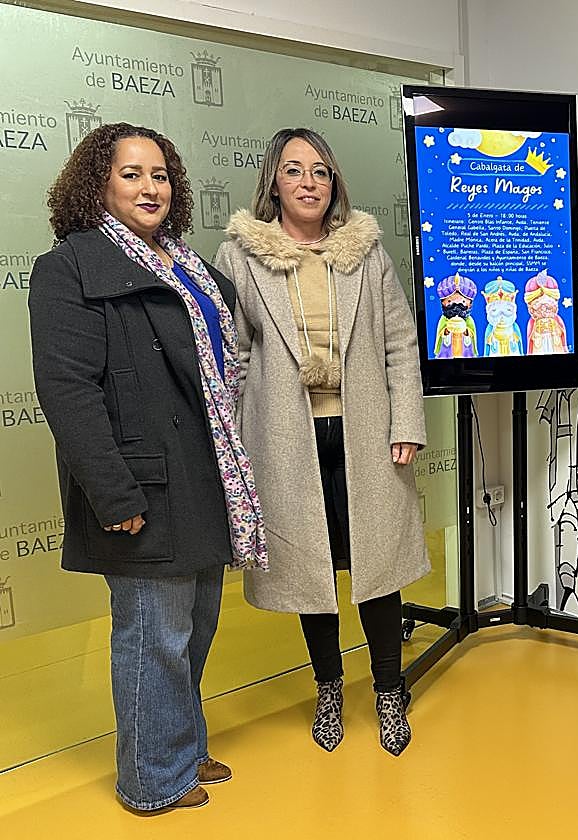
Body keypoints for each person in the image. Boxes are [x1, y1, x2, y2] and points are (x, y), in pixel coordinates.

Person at [28, 123, 266, 813]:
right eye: (130, 174)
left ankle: (180, 747)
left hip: (204, 479)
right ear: (97, 184)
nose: (149, 187)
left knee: (194, 629)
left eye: (159, 174)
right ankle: (152, 780)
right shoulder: (70, 267)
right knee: (153, 637)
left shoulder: (189, 268)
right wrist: (113, 493)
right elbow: (68, 390)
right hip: (141, 485)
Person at [215, 128, 427, 756]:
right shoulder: (240, 257)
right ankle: (329, 685)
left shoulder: (365, 251)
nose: (308, 182)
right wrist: (238, 442)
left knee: (377, 564)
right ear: (273, 181)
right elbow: (234, 355)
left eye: (320, 171)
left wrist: (407, 423)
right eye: (294, 169)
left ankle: (388, 688)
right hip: (285, 437)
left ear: (334, 182)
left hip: (366, 431)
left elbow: (399, 343)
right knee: (311, 569)